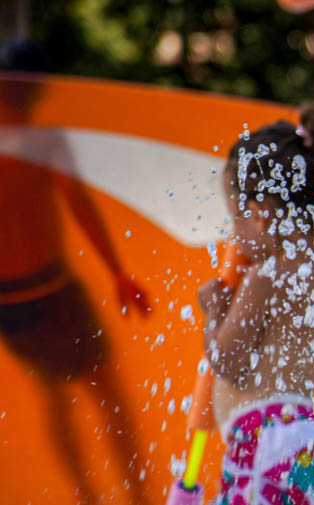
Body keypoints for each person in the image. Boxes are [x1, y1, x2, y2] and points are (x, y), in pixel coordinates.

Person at [0, 40, 150, 504]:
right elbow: (79, 204)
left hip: (8, 300)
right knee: (108, 393)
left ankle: (87, 494)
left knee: (54, 394)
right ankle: (136, 495)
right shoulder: (42, 142)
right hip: (50, 289)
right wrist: (118, 272)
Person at [198, 104, 314, 505]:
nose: (235, 233)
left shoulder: (266, 275)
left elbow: (227, 360)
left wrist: (215, 311)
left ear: (261, 214)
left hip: (263, 440)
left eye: (236, 218)